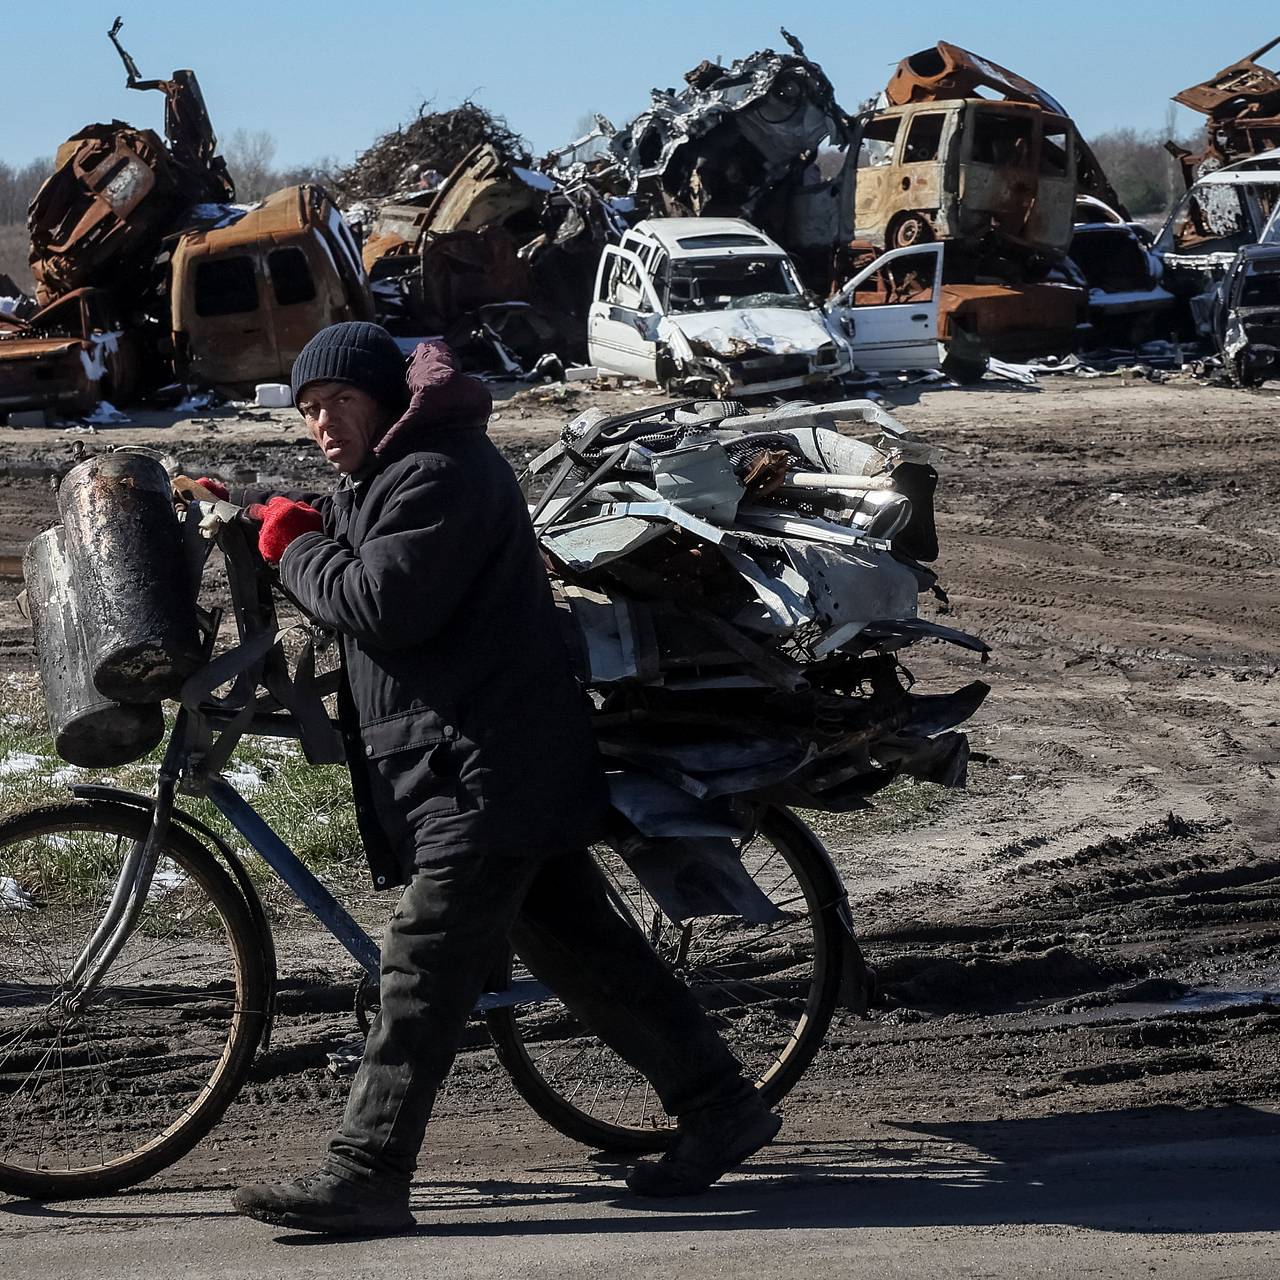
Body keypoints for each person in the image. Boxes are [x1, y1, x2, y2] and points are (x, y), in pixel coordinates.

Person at [222, 321, 782, 1235]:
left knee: (421, 974)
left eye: (340, 404)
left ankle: (366, 1172)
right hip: (481, 762)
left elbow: (381, 601)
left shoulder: (440, 472)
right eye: (311, 411)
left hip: (484, 767)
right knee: (593, 960)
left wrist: (295, 551)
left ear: (386, 398)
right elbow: (354, 538)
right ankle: (722, 1105)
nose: (323, 426)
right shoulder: (394, 473)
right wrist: (261, 511)